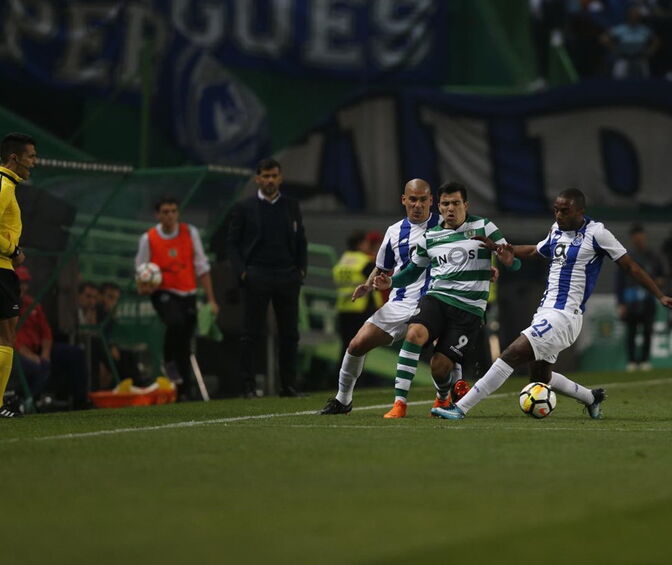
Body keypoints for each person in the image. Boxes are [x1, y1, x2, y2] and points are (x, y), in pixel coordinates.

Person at [432, 188, 672, 420]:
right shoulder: (556, 230)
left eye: (565, 211)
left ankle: (461, 408)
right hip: (546, 312)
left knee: (511, 353)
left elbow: (629, 266)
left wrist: (659, 295)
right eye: (556, 209)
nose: (559, 215)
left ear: (580, 211)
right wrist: (500, 248)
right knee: (540, 376)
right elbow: (535, 251)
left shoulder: (597, 233)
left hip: (564, 315)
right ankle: (591, 397)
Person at [372, 181, 518, 419]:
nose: (451, 208)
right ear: (438, 207)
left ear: (466, 204)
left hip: (469, 310)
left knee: (440, 367)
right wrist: (390, 282)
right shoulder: (431, 236)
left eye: (456, 203)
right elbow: (411, 271)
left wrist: (507, 259)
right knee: (413, 334)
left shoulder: (485, 227)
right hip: (437, 298)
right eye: (446, 204)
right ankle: (399, 403)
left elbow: (514, 261)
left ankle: (442, 396)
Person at [320, 179, 448, 415]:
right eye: (413, 199)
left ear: (431, 201)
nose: (417, 205)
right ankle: (343, 399)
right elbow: (382, 267)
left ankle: (446, 398)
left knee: (442, 360)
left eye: (422, 199)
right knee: (356, 345)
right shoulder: (394, 231)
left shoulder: (446, 225)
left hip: (435, 302)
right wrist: (368, 286)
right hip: (400, 303)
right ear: (404, 200)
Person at [227, 158, 307, 398]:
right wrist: (243, 271)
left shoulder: (291, 206)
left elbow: (300, 239)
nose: (270, 180)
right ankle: (248, 386)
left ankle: (288, 386)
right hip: (257, 275)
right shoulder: (244, 207)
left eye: (274, 176)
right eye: (266, 176)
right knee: (251, 333)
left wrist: (300, 270)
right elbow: (232, 243)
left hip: (287, 275)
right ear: (257, 179)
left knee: (290, 334)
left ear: (280, 178)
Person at [135, 196, 218, 399]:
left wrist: (211, 299)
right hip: (162, 292)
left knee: (185, 339)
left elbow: (202, 266)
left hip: (188, 292)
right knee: (175, 322)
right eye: (165, 212)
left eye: (173, 211)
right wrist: (143, 287)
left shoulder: (190, 233)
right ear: (158, 214)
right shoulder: (149, 238)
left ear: (178, 213)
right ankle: (168, 360)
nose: (170, 215)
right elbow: (141, 269)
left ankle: (183, 391)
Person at [13, 266, 90, 410]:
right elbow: (8, 335)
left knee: (76, 353)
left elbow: (46, 332)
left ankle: (80, 401)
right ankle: (29, 401)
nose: (22, 287)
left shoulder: (32, 303)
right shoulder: (7, 305)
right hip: (18, 351)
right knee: (34, 367)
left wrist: (45, 353)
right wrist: (28, 354)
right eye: (19, 283)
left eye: (25, 283)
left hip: (38, 349)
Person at [0, 132, 37, 418]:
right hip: (1, 268)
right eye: (31, 157)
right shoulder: (4, 186)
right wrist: (13, 251)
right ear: (14, 158)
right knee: (6, 334)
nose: (34, 163)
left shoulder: (7, 185)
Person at [616, 223, 666, 371]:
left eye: (640, 236)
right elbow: (619, 281)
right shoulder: (627, 258)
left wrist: (658, 285)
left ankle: (645, 360)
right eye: (635, 236)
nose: (638, 239)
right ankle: (631, 361)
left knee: (647, 331)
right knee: (631, 332)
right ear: (632, 238)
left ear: (644, 237)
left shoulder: (653, 257)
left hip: (648, 300)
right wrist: (621, 303)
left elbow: (662, 276)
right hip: (631, 300)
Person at [332, 231, 382, 357]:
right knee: (359, 348)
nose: (368, 245)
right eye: (366, 242)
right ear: (360, 244)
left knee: (345, 346)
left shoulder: (343, 260)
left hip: (343, 308)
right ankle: (358, 376)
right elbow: (377, 280)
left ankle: (340, 375)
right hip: (361, 308)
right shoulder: (364, 261)